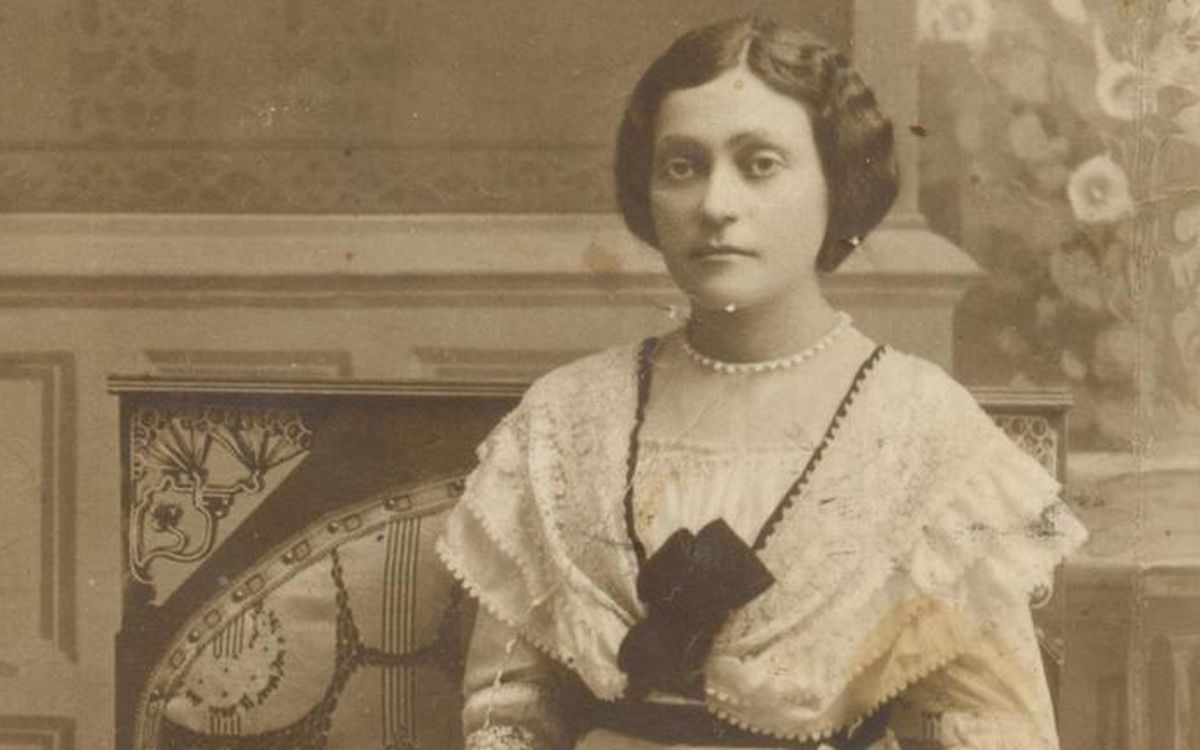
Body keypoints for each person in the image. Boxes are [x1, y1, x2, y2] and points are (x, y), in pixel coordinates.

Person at [437, 14, 1087, 750]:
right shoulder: (564, 418)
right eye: (683, 166)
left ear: (836, 183)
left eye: (761, 164)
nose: (716, 205)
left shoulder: (924, 427)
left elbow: (994, 727)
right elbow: (507, 711)